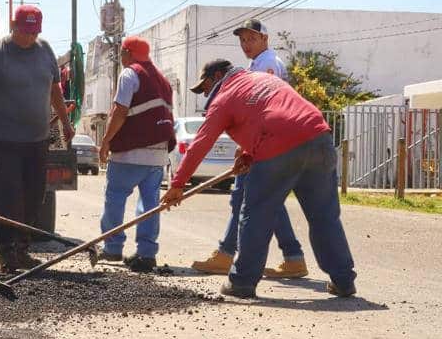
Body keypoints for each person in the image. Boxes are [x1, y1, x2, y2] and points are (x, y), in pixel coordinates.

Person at [161, 60, 357, 299]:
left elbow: (201, 143)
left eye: (205, 86)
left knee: (256, 214)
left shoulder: (224, 97)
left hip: (279, 147)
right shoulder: (267, 80)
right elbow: (272, 113)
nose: (204, 93)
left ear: (219, 75)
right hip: (319, 139)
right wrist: (248, 153)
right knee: (324, 216)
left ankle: (242, 282)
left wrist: (178, 184)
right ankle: (344, 280)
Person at [190, 19, 308, 278]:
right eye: (242, 40)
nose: (246, 44)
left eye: (251, 39)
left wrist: (250, 146)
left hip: (265, 145)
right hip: (263, 144)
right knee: (262, 199)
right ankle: (292, 257)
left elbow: (266, 109)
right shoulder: (258, 64)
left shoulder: (267, 65)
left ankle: (227, 254)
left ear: (265, 39)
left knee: (244, 198)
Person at [0, 5, 75, 274]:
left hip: (37, 140)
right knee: (9, 197)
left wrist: (66, 122)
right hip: (4, 140)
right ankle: (6, 252)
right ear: (13, 25)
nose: (28, 38)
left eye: (33, 32)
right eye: (24, 32)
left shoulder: (45, 50)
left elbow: (55, 91)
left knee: (35, 196)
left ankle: (22, 250)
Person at [96, 36, 176, 273]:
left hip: (130, 151)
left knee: (116, 196)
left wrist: (106, 141)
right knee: (150, 203)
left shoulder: (130, 74)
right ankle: (146, 254)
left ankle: (112, 247)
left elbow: (120, 111)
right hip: (158, 153)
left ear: (128, 54)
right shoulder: (163, 80)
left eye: (121, 53)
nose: (120, 58)